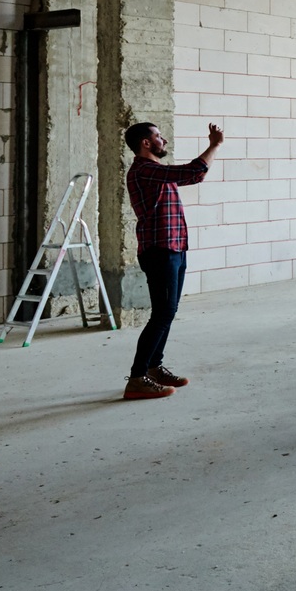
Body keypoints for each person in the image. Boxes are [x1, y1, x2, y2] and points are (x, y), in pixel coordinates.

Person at [122, 120, 223, 401]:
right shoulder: (144, 169)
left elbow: (190, 176)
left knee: (168, 312)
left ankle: (154, 368)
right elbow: (193, 172)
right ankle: (137, 377)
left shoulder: (155, 171)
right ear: (146, 143)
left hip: (175, 248)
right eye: (158, 136)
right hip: (160, 250)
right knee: (162, 314)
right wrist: (214, 146)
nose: (163, 140)